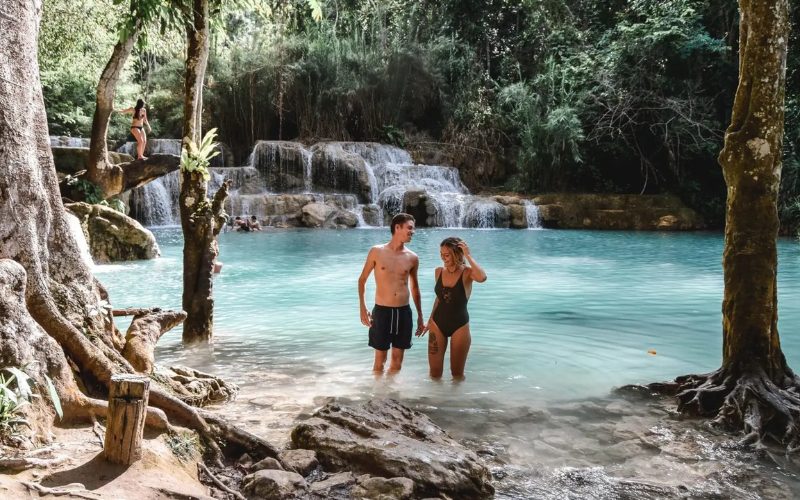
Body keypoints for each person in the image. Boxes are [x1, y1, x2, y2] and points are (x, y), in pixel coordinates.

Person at [358, 213, 425, 375]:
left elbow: (415, 288)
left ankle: (390, 395)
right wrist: (362, 307)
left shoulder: (413, 258)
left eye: (413, 229)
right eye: (409, 228)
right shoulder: (376, 252)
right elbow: (362, 280)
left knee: (397, 362)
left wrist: (420, 316)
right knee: (380, 361)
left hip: (403, 312)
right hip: (382, 312)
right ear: (397, 227)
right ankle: (377, 395)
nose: (412, 231)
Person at [421, 237, 486, 380]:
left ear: (457, 254)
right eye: (441, 254)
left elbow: (482, 277)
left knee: (457, 374)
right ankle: (435, 400)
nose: (443, 258)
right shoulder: (438, 271)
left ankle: (456, 401)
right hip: (437, 324)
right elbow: (439, 298)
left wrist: (468, 255)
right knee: (434, 373)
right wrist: (430, 320)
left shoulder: (467, 273)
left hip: (460, 326)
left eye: (447, 254)